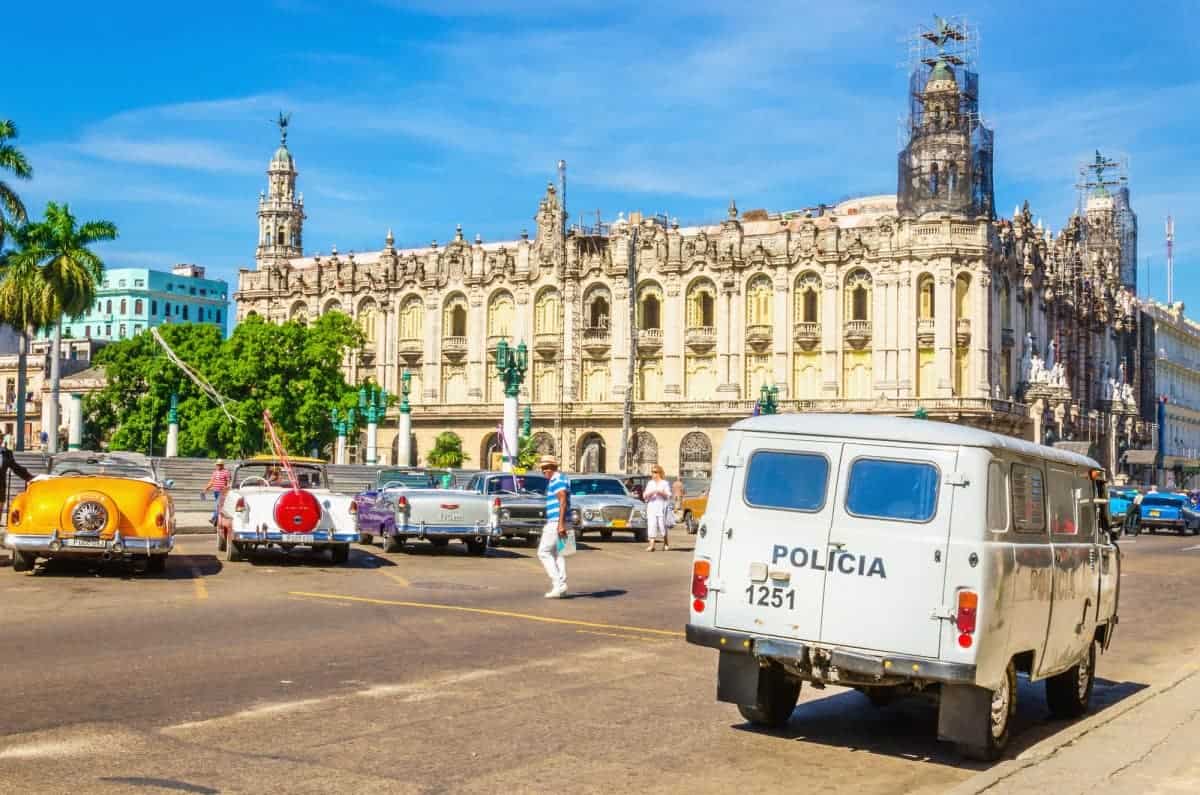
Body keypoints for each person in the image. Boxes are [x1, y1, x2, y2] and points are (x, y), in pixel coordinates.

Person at [537, 454, 570, 598]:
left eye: (547, 467)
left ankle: (558, 584)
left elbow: (562, 500)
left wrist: (560, 524)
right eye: (542, 468)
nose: (544, 471)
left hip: (556, 522)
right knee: (559, 553)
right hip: (564, 521)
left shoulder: (557, 480)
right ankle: (561, 586)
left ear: (554, 467)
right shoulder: (563, 478)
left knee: (543, 552)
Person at [642, 465, 672, 552]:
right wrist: (651, 493)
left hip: (661, 505)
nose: (653, 474)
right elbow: (645, 495)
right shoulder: (650, 483)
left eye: (655, 472)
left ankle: (666, 542)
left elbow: (668, 495)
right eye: (652, 472)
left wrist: (660, 492)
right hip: (652, 506)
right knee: (651, 525)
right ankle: (652, 545)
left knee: (662, 525)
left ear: (660, 473)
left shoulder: (664, 483)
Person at [202, 459, 231, 527]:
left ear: (222, 465)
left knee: (218, 505)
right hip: (215, 491)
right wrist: (206, 489)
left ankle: (213, 518)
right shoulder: (215, 472)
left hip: (222, 491)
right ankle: (216, 520)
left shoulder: (226, 472)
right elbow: (212, 482)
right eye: (217, 465)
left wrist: (227, 490)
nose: (218, 466)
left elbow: (228, 482)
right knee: (218, 505)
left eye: (220, 465)